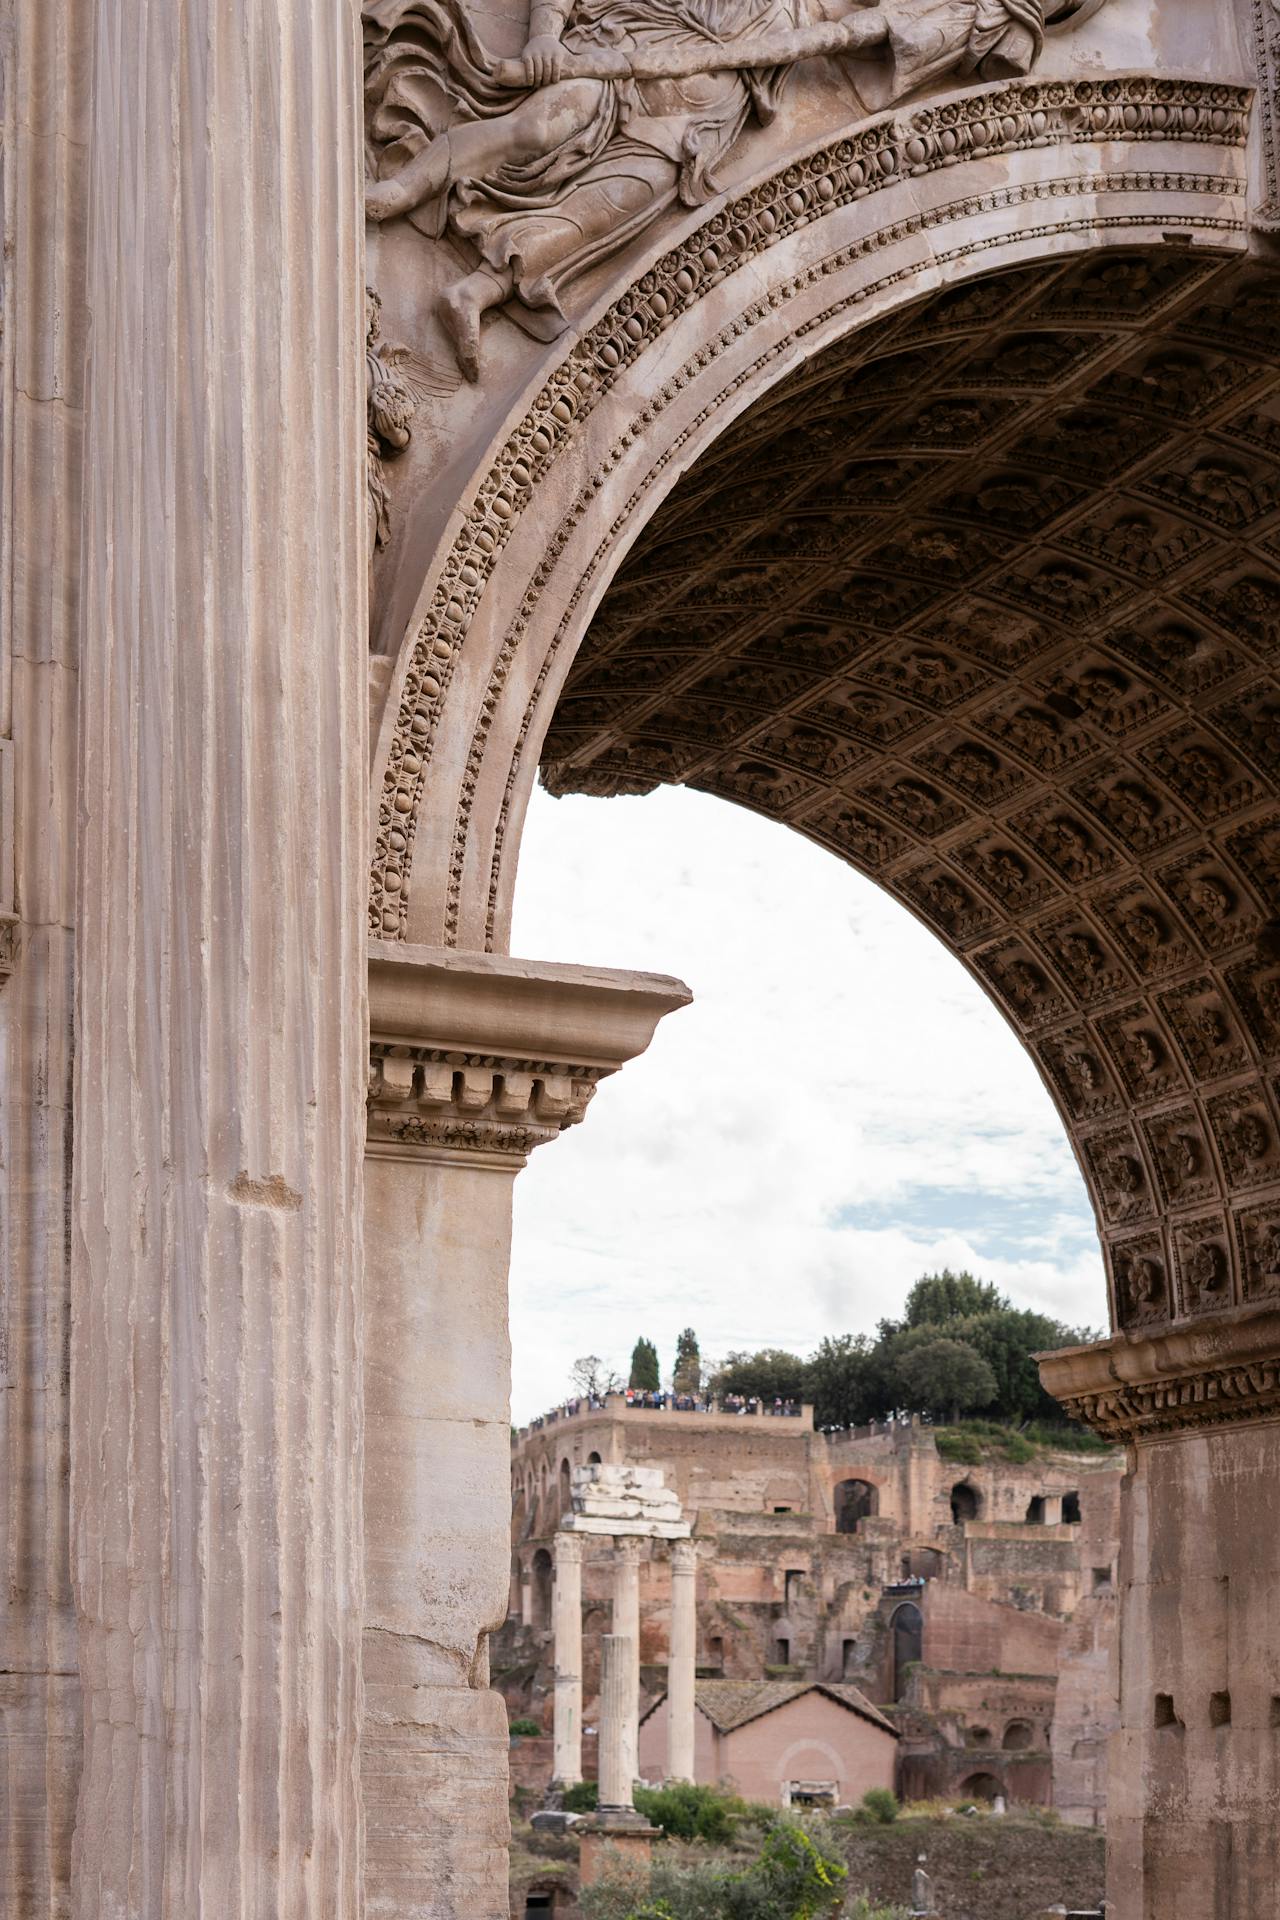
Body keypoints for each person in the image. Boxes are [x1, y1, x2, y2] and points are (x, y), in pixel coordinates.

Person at [363, 0, 1049, 378]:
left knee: (619, 201)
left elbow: (888, 26)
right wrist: (546, 28)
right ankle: (404, 187)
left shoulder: (820, 12)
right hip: (631, 43)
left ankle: (480, 288)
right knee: (544, 123)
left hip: (700, 117)